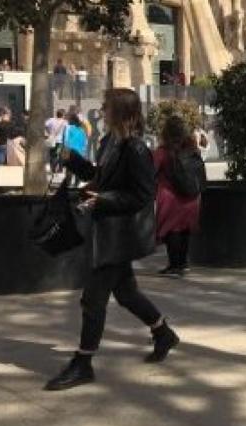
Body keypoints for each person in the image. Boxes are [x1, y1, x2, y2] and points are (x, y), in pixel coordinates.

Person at [45, 88, 178, 391]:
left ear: (120, 112)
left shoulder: (136, 149)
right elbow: (98, 175)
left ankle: (83, 362)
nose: (101, 110)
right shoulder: (109, 142)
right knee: (127, 293)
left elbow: (143, 195)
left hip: (120, 235)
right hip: (108, 229)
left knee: (93, 299)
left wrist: (103, 200)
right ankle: (162, 333)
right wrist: (71, 159)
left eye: (106, 107)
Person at [154, 114, 202, 277]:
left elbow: (150, 170)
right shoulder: (192, 149)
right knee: (184, 230)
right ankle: (183, 263)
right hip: (190, 196)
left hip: (170, 196)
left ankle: (174, 265)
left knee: (171, 231)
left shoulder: (163, 151)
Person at [45, 109, 67, 173]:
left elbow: (45, 125)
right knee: (59, 155)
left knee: (52, 154)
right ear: (63, 115)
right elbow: (66, 132)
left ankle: (53, 168)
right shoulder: (65, 122)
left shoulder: (51, 120)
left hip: (52, 140)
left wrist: (48, 132)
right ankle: (60, 169)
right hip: (60, 141)